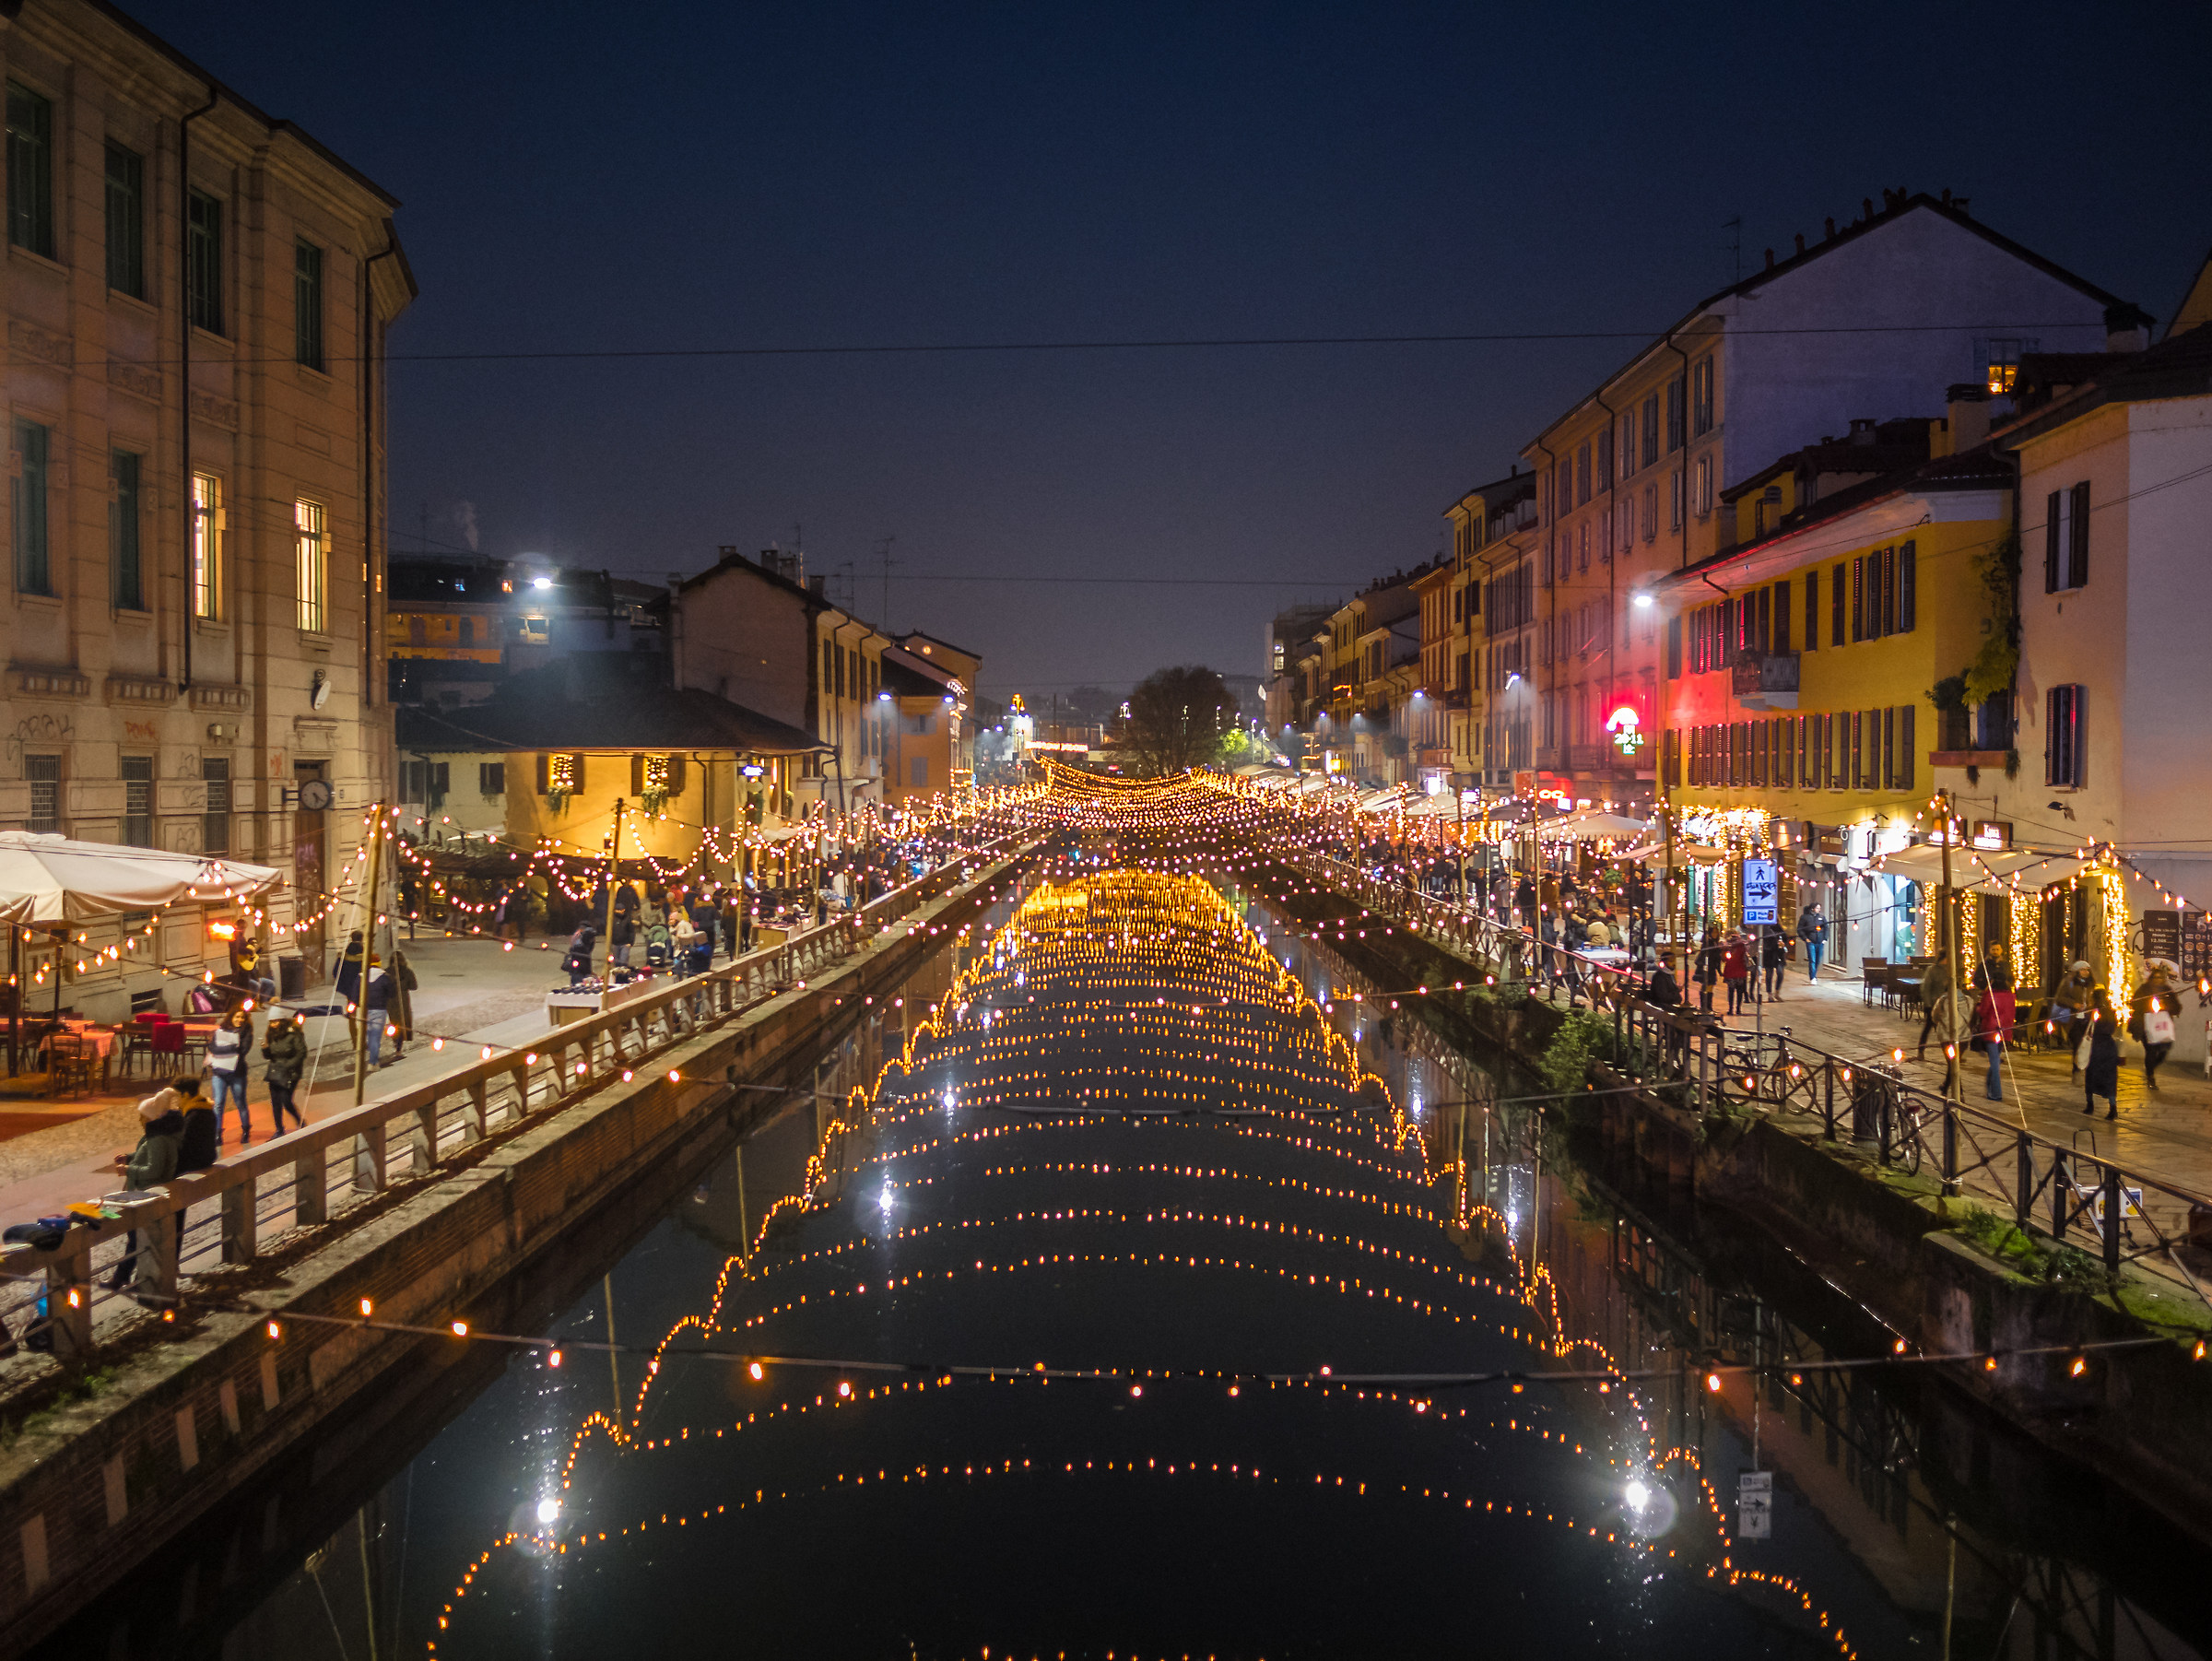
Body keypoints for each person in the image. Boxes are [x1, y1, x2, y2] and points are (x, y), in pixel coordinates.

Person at [109, 1086, 189, 1295]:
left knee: (137, 1238)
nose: (139, 1120)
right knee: (136, 1238)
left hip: (146, 1193)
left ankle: (128, 1278)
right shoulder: (156, 1135)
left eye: (142, 1116)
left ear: (151, 1118)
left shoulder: (157, 1139)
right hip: (144, 1193)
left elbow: (153, 1169)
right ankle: (124, 1277)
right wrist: (130, 1157)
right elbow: (149, 1156)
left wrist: (128, 1169)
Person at [2129, 960, 2183, 1092]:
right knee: (2151, 1051)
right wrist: (2148, 1007)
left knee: (2163, 1051)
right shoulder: (2144, 989)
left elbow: (2177, 1007)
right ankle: (2150, 1077)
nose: (2158, 980)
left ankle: (2150, 1067)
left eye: (2160, 977)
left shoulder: (2167, 990)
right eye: (2156, 977)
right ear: (2152, 978)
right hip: (2146, 1026)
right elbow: (2135, 1004)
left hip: (2162, 1026)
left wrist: (2166, 1007)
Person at [206, 1003, 254, 1144]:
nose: (240, 1020)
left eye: (242, 1017)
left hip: (237, 1073)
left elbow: (243, 1050)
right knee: (218, 1103)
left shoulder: (247, 1032)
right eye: (237, 1017)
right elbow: (213, 1047)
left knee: (240, 1102)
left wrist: (226, 1048)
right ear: (231, 1017)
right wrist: (232, 1047)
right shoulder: (221, 1030)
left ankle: (246, 1130)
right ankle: (217, 1133)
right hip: (219, 1073)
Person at [1974, 963, 2017, 1102]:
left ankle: (1996, 1093)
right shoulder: (2011, 996)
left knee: (1994, 1063)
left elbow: (1983, 1012)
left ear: (1992, 981)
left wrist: (1978, 1007)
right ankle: (1989, 1086)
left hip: (1991, 1031)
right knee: (1995, 1060)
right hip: (2005, 1031)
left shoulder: (1989, 995)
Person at [263, 1011, 309, 1131]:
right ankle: (279, 1129)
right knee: (275, 1102)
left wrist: (288, 1066)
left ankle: (299, 1121)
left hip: (290, 1073)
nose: (273, 1025)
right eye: (271, 1022)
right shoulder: (271, 1034)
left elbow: (301, 1053)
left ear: (282, 1021)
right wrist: (265, 1049)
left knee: (286, 1100)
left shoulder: (293, 1034)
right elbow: (269, 1056)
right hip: (275, 1071)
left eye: (276, 1021)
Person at [2081, 990, 2122, 1119]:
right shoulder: (2111, 1011)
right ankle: (2113, 1107)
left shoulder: (2091, 1011)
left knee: (2091, 1077)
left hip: (2095, 1047)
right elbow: (2113, 1028)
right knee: (2109, 1079)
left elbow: (2083, 1026)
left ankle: (2090, 1105)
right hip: (2109, 1048)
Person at [2049, 960, 2096, 1068]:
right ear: (2077, 971)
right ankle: (2077, 1069)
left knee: (2087, 1044)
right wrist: (2074, 1004)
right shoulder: (2069, 983)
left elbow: (2091, 997)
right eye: (2083, 970)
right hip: (2073, 1019)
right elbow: (2060, 998)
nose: (2086, 972)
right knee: (2078, 1044)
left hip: (2087, 1017)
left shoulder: (2090, 983)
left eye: (2087, 970)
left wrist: (2090, 1004)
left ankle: (2085, 1067)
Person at [1914, 948, 1953, 1062]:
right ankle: (1921, 1051)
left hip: (1946, 1004)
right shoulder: (1932, 970)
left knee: (1947, 1030)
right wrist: (1928, 1004)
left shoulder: (1950, 969)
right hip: (1933, 1004)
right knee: (1928, 1028)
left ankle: (1952, 1054)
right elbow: (1926, 988)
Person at [176, 1078, 218, 1173]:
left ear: (186, 1095)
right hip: (208, 1158)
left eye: (178, 1096)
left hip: (195, 1163)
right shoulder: (206, 1108)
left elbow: (184, 1145)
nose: (177, 1101)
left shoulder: (193, 1116)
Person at [364, 957, 397, 1066]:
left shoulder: (361, 977)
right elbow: (392, 993)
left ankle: (370, 1055)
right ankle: (373, 1062)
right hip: (379, 1009)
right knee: (375, 1035)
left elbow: (355, 994)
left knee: (369, 1034)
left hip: (364, 1011)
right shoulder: (384, 978)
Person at [1722, 929, 1751, 1016]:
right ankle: (1738, 1009)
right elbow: (1746, 956)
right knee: (1740, 991)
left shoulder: (1727, 945)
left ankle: (1730, 1009)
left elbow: (1723, 958)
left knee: (1731, 991)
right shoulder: (1743, 944)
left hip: (1730, 970)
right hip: (1740, 970)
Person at [1693, 924, 1722, 1013]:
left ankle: (1708, 1006)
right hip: (1707, 967)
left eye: (1716, 932)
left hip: (1711, 967)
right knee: (1707, 986)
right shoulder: (1708, 942)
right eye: (1713, 932)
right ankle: (1706, 1006)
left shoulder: (1714, 942)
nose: (1715, 934)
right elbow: (1711, 955)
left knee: (1710, 986)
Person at [1797, 899, 1827, 982]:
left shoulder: (1822, 917)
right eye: (1817, 908)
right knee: (1812, 959)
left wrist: (1825, 938)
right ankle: (1813, 977)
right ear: (1813, 908)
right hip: (1811, 941)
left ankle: (1814, 974)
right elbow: (1800, 929)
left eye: (1819, 908)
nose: (1819, 910)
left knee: (1818, 960)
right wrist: (1805, 938)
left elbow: (1826, 928)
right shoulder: (1805, 917)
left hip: (1820, 941)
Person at [334, 929, 366, 1004]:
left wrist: (342, 982)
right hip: (361, 985)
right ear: (362, 938)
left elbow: (336, 971)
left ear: (351, 938)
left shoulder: (344, 955)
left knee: (350, 1002)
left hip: (347, 986)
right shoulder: (365, 954)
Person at [563, 924, 597, 989]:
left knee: (579, 980)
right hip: (581, 964)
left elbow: (573, 947)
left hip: (581, 963)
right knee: (579, 981)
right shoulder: (579, 936)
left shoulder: (577, 935)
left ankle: (576, 986)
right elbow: (588, 949)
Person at [1761, 926, 1790, 1002]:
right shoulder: (1765, 929)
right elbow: (1764, 942)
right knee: (1769, 975)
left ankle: (1777, 992)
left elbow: (1785, 938)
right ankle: (1769, 994)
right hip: (1768, 955)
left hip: (1779, 956)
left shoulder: (1779, 929)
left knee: (1780, 973)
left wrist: (1783, 944)